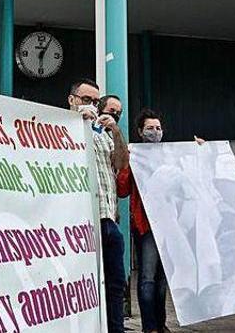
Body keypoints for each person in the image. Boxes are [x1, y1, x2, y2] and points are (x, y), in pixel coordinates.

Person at [67, 81, 129, 333]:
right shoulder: (56, 128)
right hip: (78, 222)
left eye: (95, 101)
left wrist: (115, 131)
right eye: (85, 99)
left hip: (107, 219)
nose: (90, 105)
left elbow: (122, 164)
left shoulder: (103, 134)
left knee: (115, 285)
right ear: (72, 100)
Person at [116, 109, 169, 332]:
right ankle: (150, 327)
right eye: (149, 128)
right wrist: (128, 163)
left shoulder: (171, 154)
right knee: (147, 276)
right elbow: (122, 189)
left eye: (158, 128)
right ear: (140, 131)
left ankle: (160, 323)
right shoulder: (134, 155)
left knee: (162, 280)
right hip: (145, 225)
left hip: (169, 226)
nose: (154, 132)